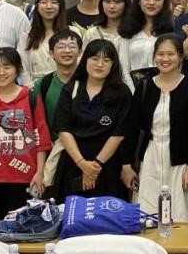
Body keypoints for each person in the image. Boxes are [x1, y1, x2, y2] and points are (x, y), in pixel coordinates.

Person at [125, 34, 188, 222]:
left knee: (180, 213)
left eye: (171, 54)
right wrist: (127, 164)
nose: (165, 59)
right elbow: (131, 128)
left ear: (180, 56)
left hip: (180, 161)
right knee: (146, 213)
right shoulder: (144, 87)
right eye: (160, 54)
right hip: (150, 157)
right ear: (154, 57)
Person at [0, 47, 51, 222]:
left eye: (7, 67)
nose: (1, 72)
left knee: (20, 230)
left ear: (17, 69)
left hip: (24, 179)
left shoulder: (31, 98)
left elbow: (41, 138)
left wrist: (40, 172)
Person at [53, 39, 133, 199]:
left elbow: (118, 134)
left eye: (106, 60)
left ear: (113, 64)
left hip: (108, 165)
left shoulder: (122, 92)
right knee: (72, 212)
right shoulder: (71, 88)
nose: (100, 64)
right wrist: (82, 164)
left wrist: (95, 166)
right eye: (94, 58)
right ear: (85, 60)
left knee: (107, 212)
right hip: (74, 162)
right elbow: (64, 130)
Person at [37, 28, 82, 189]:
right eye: (61, 46)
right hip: (53, 151)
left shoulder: (90, 81)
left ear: (80, 51)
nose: (67, 51)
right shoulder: (43, 84)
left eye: (72, 46)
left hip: (84, 151)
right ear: (51, 53)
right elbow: (38, 121)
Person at [120, 0, 174, 86]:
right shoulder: (128, 30)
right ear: (139, 1)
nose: (151, 3)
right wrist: (134, 92)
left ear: (164, 2)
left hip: (165, 88)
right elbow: (124, 68)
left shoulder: (171, 30)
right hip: (133, 89)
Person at [82, 0, 134, 85]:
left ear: (126, 5)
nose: (111, 6)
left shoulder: (133, 34)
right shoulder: (92, 33)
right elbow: (83, 63)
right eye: (107, 1)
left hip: (127, 86)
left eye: (117, 2)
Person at [21, 0, 67, 85]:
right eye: (44, 2)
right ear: (37, 6)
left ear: (60, 6)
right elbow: (23, 68)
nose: (49, 6)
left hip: (65, 86)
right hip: (35, 87)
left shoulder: (71, 33)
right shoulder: (26, 37)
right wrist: (30, 89)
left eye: (54, 2)